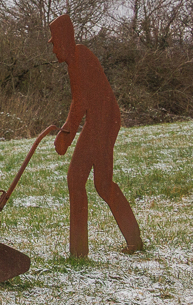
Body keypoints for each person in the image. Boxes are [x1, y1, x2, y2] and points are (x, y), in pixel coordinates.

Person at [49, 14, 144, 257]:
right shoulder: (75, 59)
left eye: (55, 43)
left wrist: (65, 135)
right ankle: (131, 240)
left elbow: (80, 102)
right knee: (100, 184)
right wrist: (66, 133)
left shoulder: (80, 57)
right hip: (100, 121)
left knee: (79, 180)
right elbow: (79, 101)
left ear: (64, 40)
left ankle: (79, 252)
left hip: (103, 122)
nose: (53, 48)